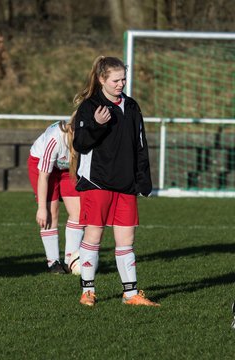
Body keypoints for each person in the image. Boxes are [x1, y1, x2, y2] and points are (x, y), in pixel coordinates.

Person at [73, 55, 161, 307]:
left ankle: (130, 294)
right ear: (102, 79)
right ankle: (87, 291)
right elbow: (80, 144)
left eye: (124, 78)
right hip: (97, 182)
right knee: (94, 234)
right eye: (116, 80)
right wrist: (97, 125)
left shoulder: (132, 107)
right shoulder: (90, 107)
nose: (121, 83)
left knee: (127, 240)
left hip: (126, 184)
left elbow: (140, 145)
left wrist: (143, 179)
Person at [27, 117, 84, 274]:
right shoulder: (55, 138)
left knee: (78, 212)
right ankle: (53, 263)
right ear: (72, 131)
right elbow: (43, 176)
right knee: (50, 212)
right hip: (42, 167)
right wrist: (41, 208)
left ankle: (70, 261)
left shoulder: (87, 138)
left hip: (67, 169)